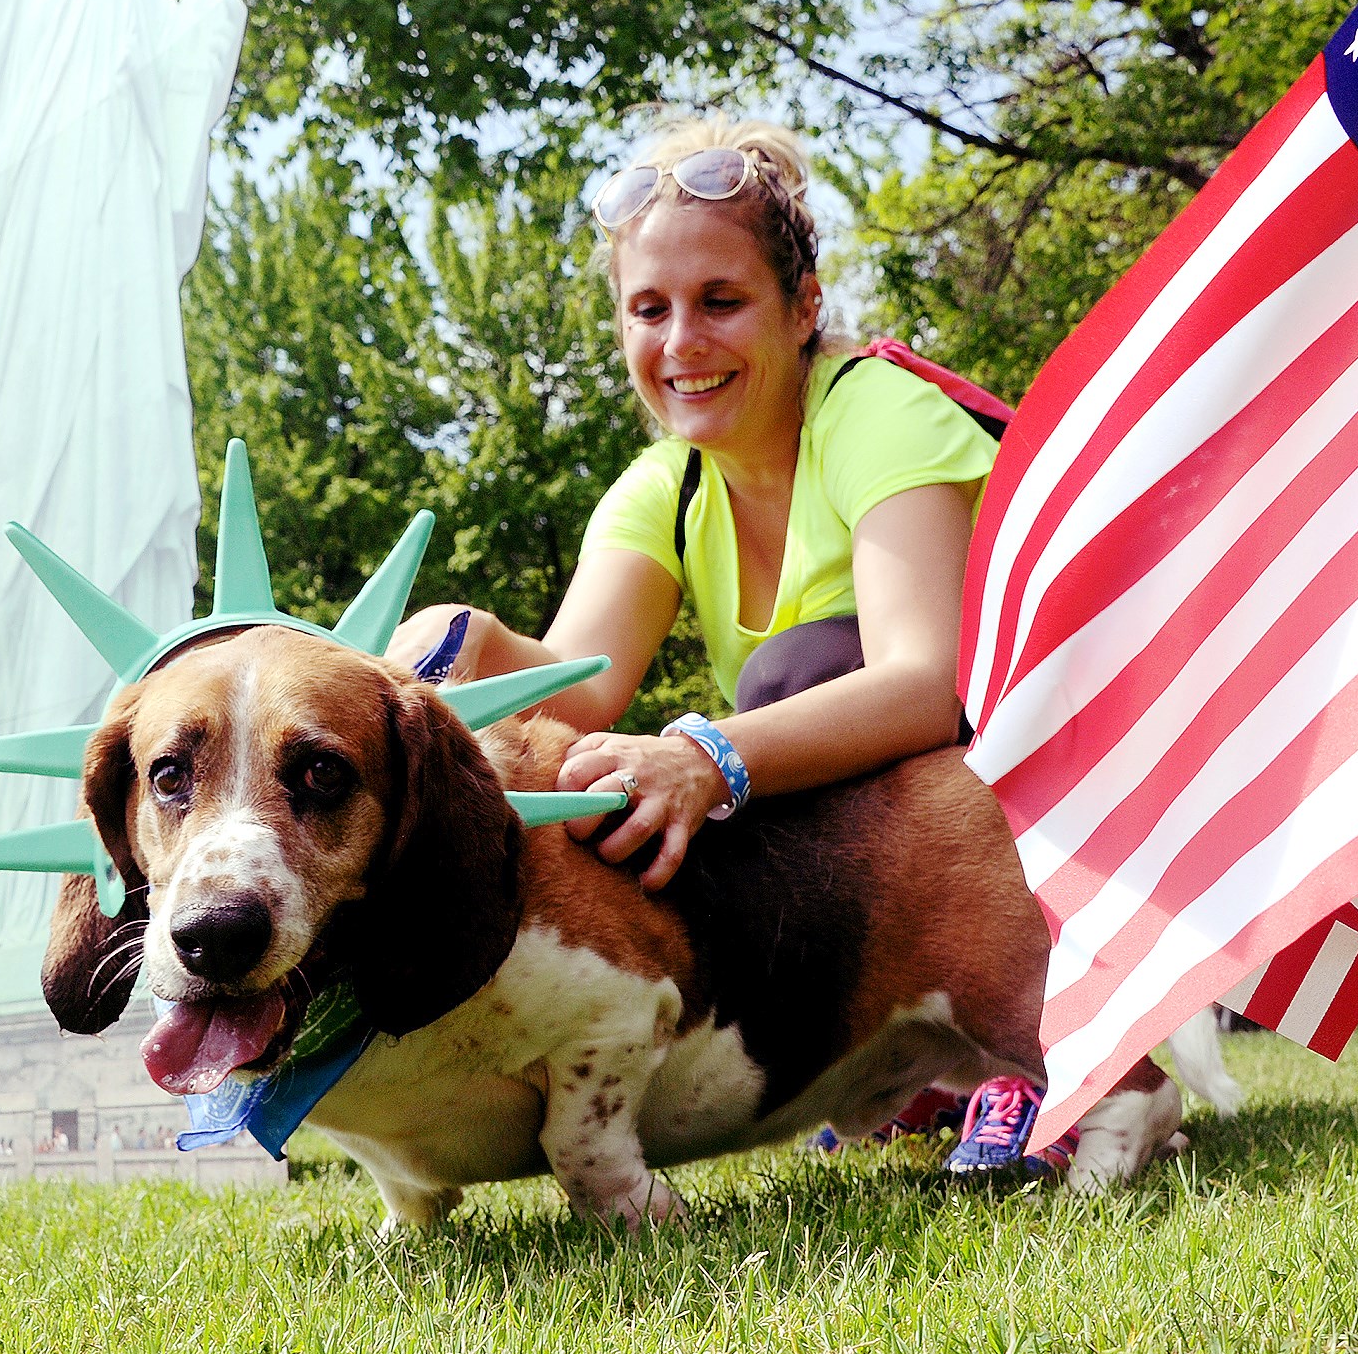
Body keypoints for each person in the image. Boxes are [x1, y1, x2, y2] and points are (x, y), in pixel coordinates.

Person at [388, 116, 1074, 1175]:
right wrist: (468, 642)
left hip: (1043, 786)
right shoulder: (662, 489)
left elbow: (926, 684)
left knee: (787, 683)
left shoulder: (875, 416)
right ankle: (901, 1049)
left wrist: (708, 755)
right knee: (641, 772)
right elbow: (580, 690)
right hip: (913, 828)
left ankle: (1033, 1048)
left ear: (802, 309)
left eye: (720, 301)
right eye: (648, 309)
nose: (681, 343)